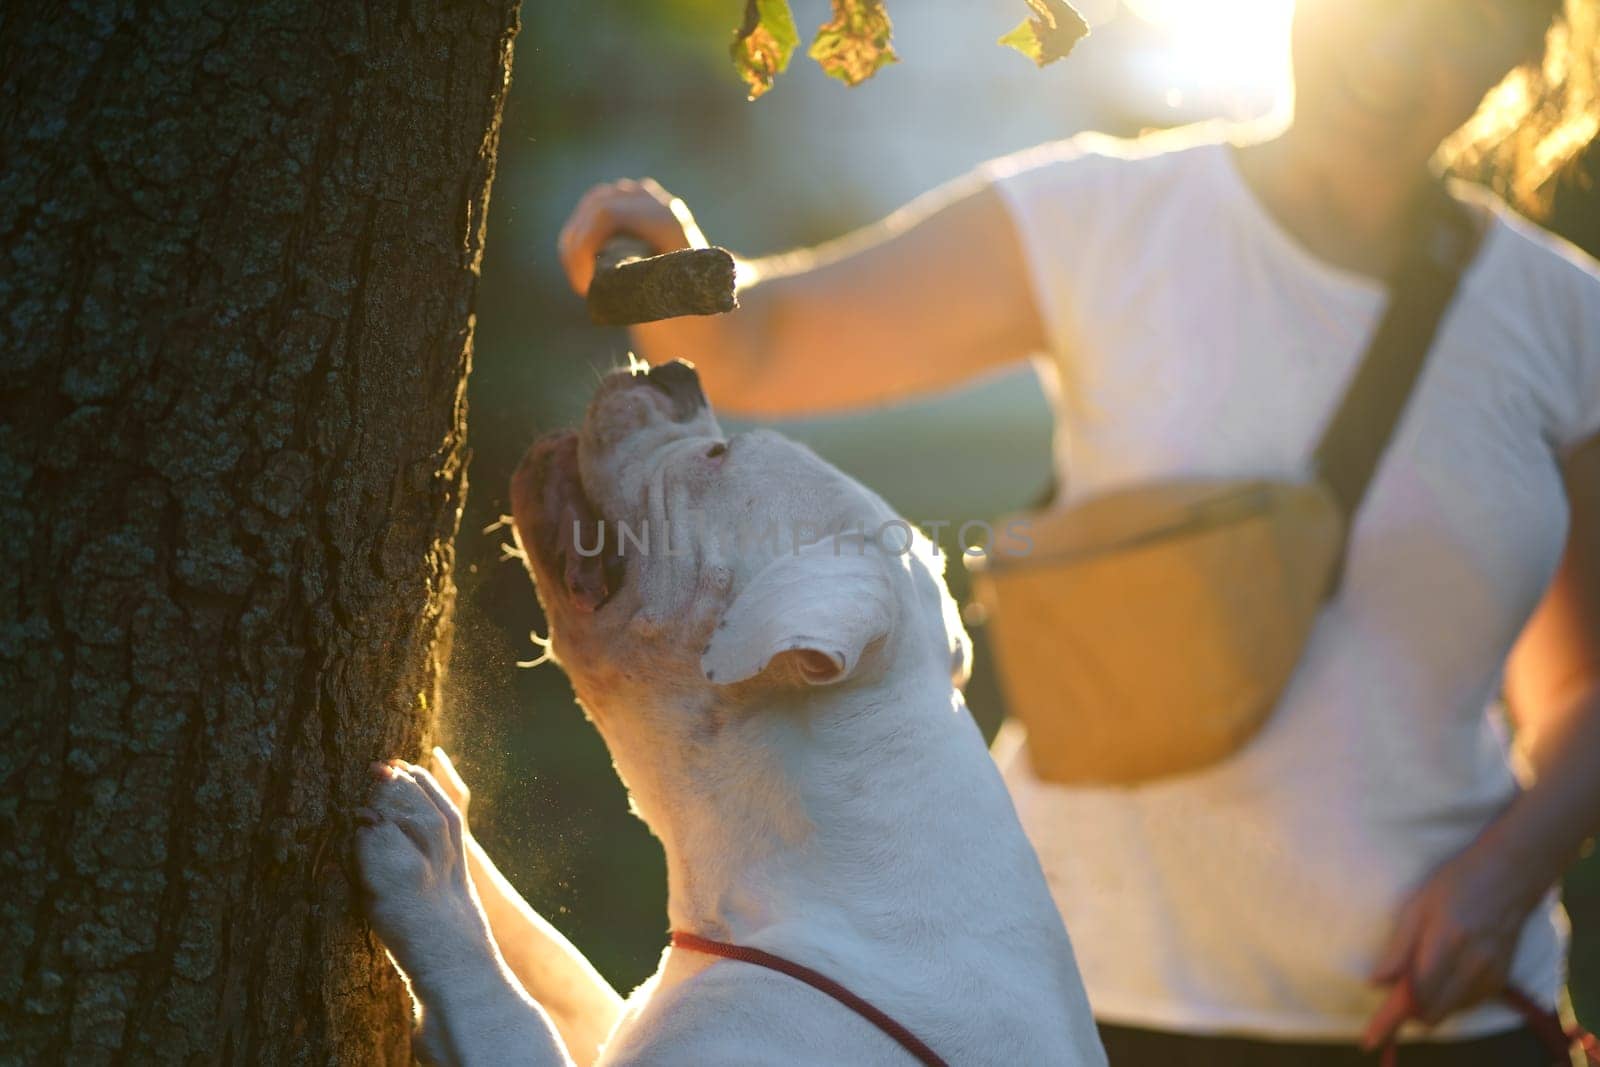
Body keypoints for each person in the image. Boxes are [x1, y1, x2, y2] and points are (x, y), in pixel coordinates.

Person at [556, 0, 1600, 1062]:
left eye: (1459, 21)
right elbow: (762, 345)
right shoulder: (1106, 217)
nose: (1395, 48)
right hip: (1076, 1004)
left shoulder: (1564, 318)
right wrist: (659, 264)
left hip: (1435, 1011)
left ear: (1520, 55)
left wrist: (1507, 873)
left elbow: (1579, 687)